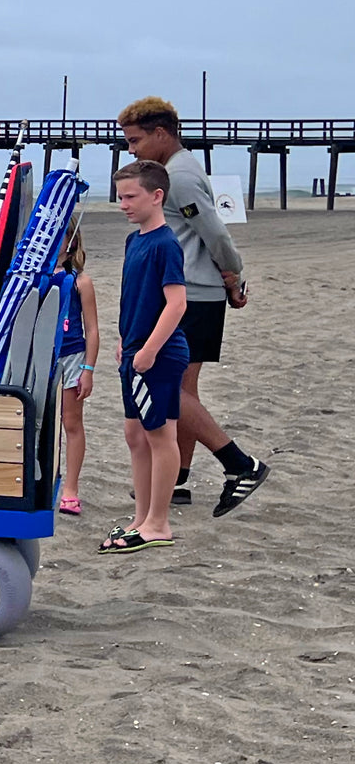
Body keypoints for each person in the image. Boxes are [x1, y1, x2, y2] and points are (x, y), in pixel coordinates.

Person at [119, 96, 268, 516]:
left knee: (171, 389)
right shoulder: (179, 168)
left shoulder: (178, 176)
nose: (131, 150)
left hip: (192, 294)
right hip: (195, 290)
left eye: (135, 141)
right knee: (184, 389)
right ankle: (178, 480)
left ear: (161, 133)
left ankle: (239, 463)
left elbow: (214, 232)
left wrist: (234, 276)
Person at [100, 160, 188, 554]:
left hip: (160, 354)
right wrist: (126, 339)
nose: (123, 204)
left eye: (131, 196)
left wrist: (150, 349)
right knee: (135, 435)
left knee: (160, 435)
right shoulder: (134, 240)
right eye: (120, 197)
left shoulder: (166, 243)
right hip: (133, 350)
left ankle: (159, 522)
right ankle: (142, 517)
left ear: (156, 196)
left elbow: (177, 303)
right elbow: (134, 296)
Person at [54, 221, 99, 516]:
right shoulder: (32, 276)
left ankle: (71, 488)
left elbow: (92, 330)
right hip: (41, 356)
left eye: (62, 234)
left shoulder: (81, 281)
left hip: (72, 356)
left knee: (71, 422)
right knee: (36, 423)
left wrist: (88, 369)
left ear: (72, 240)